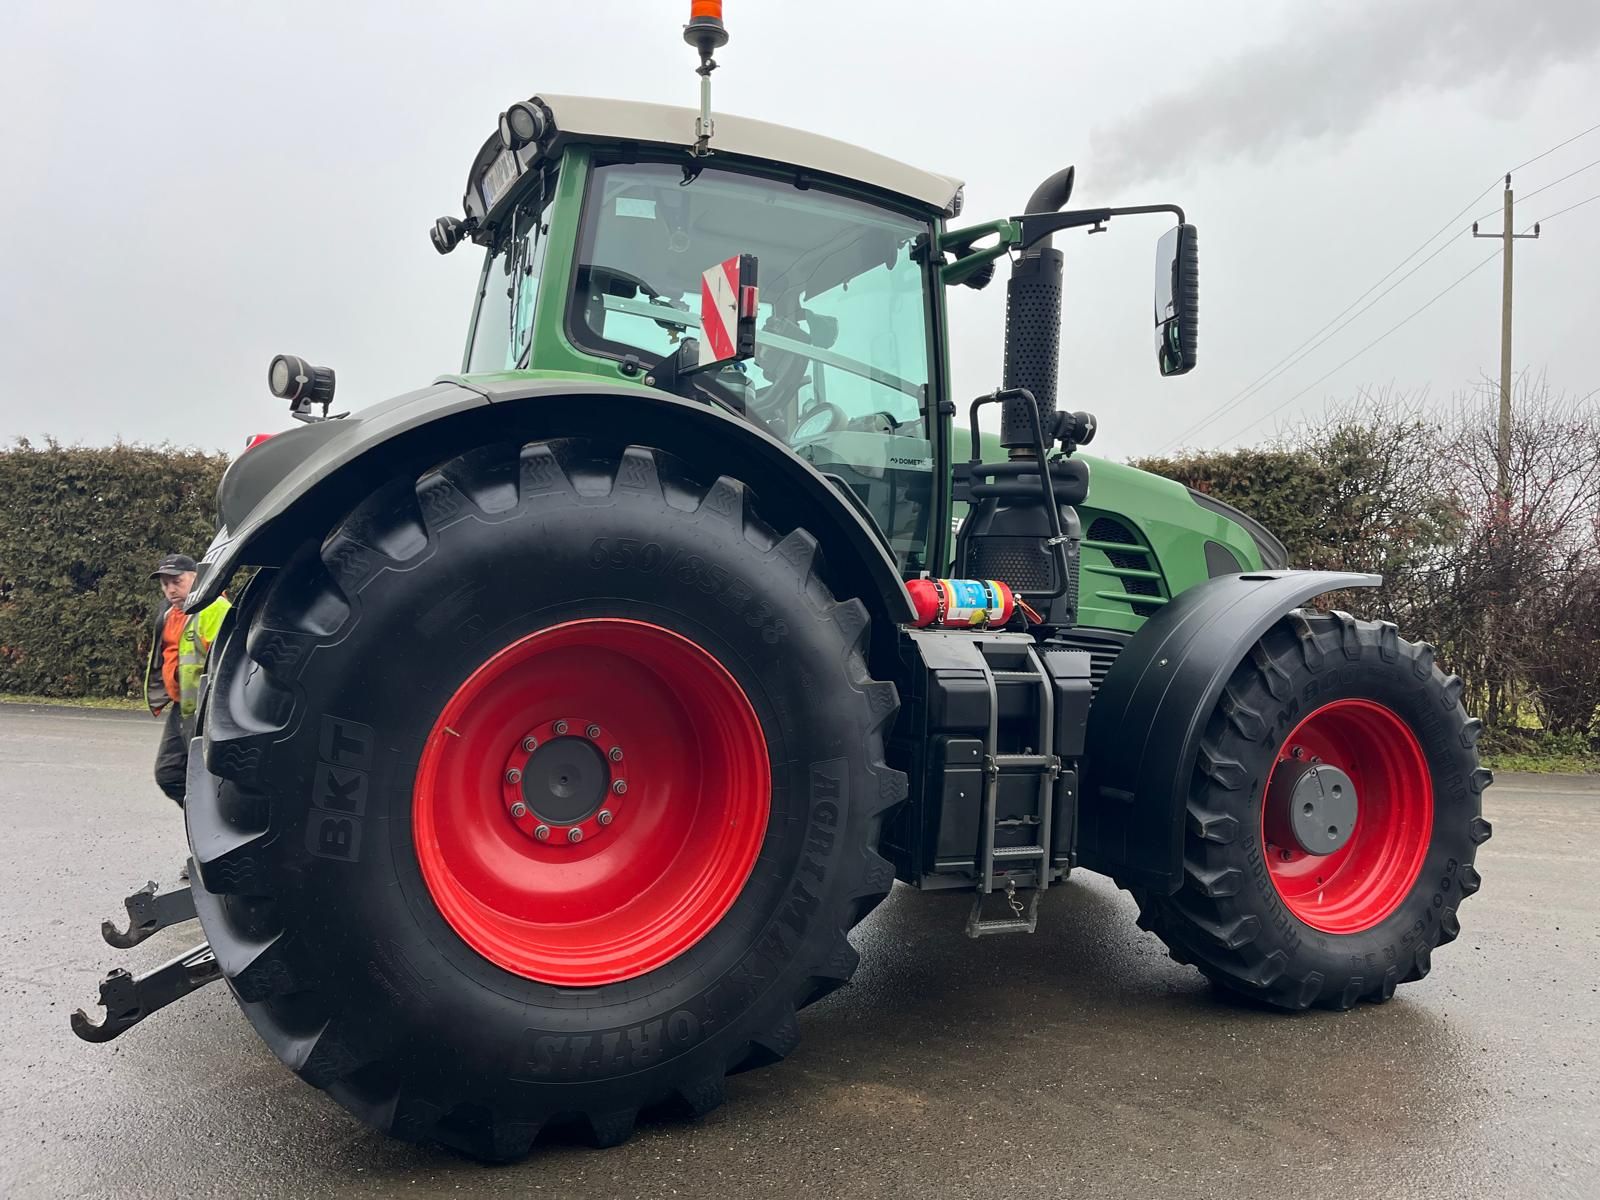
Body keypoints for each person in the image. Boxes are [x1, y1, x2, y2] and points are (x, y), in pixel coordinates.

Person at [145, 554, 230, 815]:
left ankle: (218, 823)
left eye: (177, 581)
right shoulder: (170, 614)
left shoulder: (216, 609)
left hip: (209, 710)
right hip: (182, 707)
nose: (170, 589)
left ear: (196, 578)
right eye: (165, 583)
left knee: (212, 778)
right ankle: (204, 819)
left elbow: (229, 662)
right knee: (169, 772)